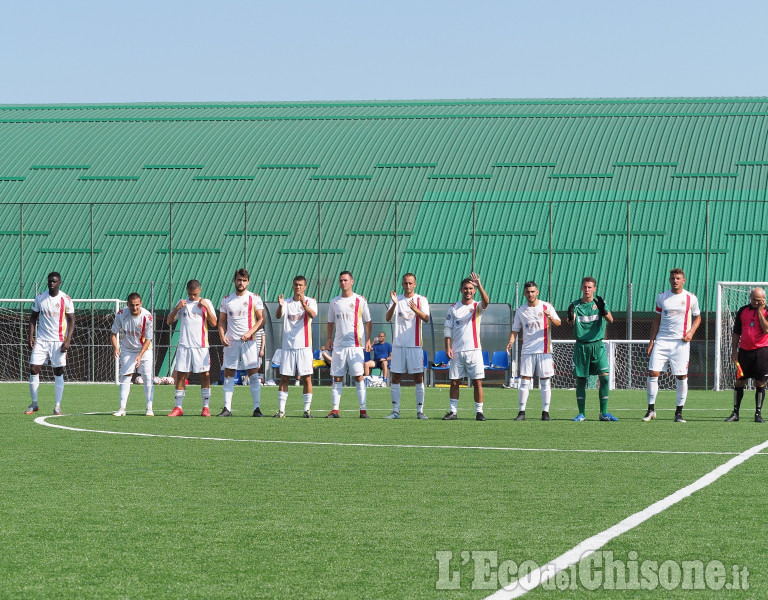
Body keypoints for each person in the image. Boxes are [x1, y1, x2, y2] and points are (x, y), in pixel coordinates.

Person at [644, 268, 701, 423]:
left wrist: (691, 332)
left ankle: (679, 413)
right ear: (669, 280)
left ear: (684, 280)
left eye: (678, 278)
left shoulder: (691, 298)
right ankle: (650, 410)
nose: (675, 280)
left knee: (681, 376)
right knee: (653, 373)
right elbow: (656, 320)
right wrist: (652, 341)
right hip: (662, 341)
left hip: (681, 343)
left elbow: (698, 318)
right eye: (672, 278)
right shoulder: (662, 297)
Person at [507, 281, 561, 421]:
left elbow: (558, 323)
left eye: (533, 291)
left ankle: (545, 412)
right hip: (527, 350)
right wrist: (510, 342)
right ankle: (521, 412)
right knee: (524, 381)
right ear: (525, 293)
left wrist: (550, 317)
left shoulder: (546, 306)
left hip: (544, 350)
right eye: (528, 292)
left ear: (537, 292)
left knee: (545, 382)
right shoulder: (521, 310)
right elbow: (515, 330)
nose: (530, 294)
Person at [566, 277, 617, 422]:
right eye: (585, 287)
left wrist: (603, 309)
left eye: (590, 287)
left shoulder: (599, 303)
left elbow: (611, 320)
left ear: (594, 289)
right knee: (581, 380)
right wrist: (570, 316)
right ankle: (581, 413)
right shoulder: (575, 305)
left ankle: (604, 413)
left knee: (605, 377)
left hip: (597, 345)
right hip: (581, 346)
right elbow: (570, 321)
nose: (587, 290)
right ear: (581, 288)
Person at [25, 272, 75, 416]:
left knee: (58, 371)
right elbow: (33, 318)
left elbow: (72, 321)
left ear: (60, 282)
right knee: (34, 369)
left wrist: (68, 340)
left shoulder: (66, 299)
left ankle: (57, 406)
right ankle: (34, 403)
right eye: (49, 281)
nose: (51, 284)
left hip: (58, 341)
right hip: (41, 340)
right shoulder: (40, 298)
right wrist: (30, 337)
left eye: (54, 281)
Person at [166, 279, 217, 417]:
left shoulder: (206, 303)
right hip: (184, 346)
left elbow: (213, 323)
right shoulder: (182, 303)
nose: (192, 297)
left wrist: (205, 307)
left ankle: (206, 407)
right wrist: (177, 308)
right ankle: (178, 407)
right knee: (181, 376)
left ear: (199, 290)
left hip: (201, 346)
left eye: (194, 294)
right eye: (190, 294)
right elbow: (169, 321)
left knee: (205, 375)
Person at [442, 273, 490, 421]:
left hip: (474, 350)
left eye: (470, 288)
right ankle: (453, 412)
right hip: (457, 351)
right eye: (465, 288)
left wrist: (479, 284)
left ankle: (479, 412)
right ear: (461, 290)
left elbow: (486, 302)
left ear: (474, 290)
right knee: (454, 381)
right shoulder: (453, 308)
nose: (468, 291)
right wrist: (448, 347)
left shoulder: (477, 306)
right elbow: (447, 329)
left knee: (477, 382)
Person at [217, 269, 264, 417]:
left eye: (244, 280)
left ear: (248, 282)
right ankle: (227, 409)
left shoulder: (254, 298)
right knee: (229, 373)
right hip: (231, 342)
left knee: (253, 374)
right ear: (234, 280)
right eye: (239, 280)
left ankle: (257, 409)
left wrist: (250, 332)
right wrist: (221, 336)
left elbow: (261, 319)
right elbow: (222, 321)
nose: (241, 282)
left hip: (249, 342)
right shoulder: (226, 300)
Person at [326, 271, 372, 418]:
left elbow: (368, 321)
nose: (343, 283)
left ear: (352, 281)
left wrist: (368, 339)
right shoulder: (334, 302)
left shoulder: (360, 300)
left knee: (359, 377)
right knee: (337, 378)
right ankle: (335, 410)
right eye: (341, 281)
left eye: (345, 280)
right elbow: (330, 322)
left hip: (355, 346)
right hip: (339, 346)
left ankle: (363, 410)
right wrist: (329, 338)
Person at [385, 273, 431, 419]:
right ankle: (396, 411)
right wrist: (393, 304)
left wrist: (415, 309)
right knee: (396, 377)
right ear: (402, 284)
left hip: (415, 346)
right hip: (398, 346)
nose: (408, 286)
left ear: (415, 284)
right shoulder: (396, 299)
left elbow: (426, 318)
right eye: (405, 283)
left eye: (410, 283)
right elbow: (387, 318)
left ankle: (420, 411)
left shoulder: (421, 299)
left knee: (418, 377)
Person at [274, 275, 318, 418]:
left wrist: (304, 306)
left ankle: (307, 410)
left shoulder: (311, 301)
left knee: (307, 378)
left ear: (305, 287)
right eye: (296, 285)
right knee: (284, 378)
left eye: (300, 285)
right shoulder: (286, 302)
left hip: (304, 346)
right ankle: (281, 411)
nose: (298, 287)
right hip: (288, 347)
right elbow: (278, 315)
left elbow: (313, 315)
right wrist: (280, 306)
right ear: (292, 286)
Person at [726, 287, 768, 423]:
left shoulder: (767, 310)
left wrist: (760, 312)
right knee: (739, 381)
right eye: (754, 300)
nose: (757, 302)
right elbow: (736, 331)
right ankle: (735, 412)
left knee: (760, 383)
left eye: (760, 300)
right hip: (744, 352)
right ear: (750, 297)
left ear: (764, 299)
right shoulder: (742, 311)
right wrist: (733, 350)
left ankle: (758, 414)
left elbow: (766, 329)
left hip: (762, 352)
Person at [110, 292, 154, 416]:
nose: (134, 308)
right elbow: (113, 333)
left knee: (146, 377)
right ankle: (122, 408)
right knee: (126, 376)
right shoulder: (121, 314)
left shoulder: (147, 317)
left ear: (141, 304)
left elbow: (148, 339)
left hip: (144, 349)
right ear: (127, 304)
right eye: (132, 305)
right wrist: (116, 348)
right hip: (128, 349)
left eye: (137, 305)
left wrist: (140, 355)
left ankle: (149, 408)